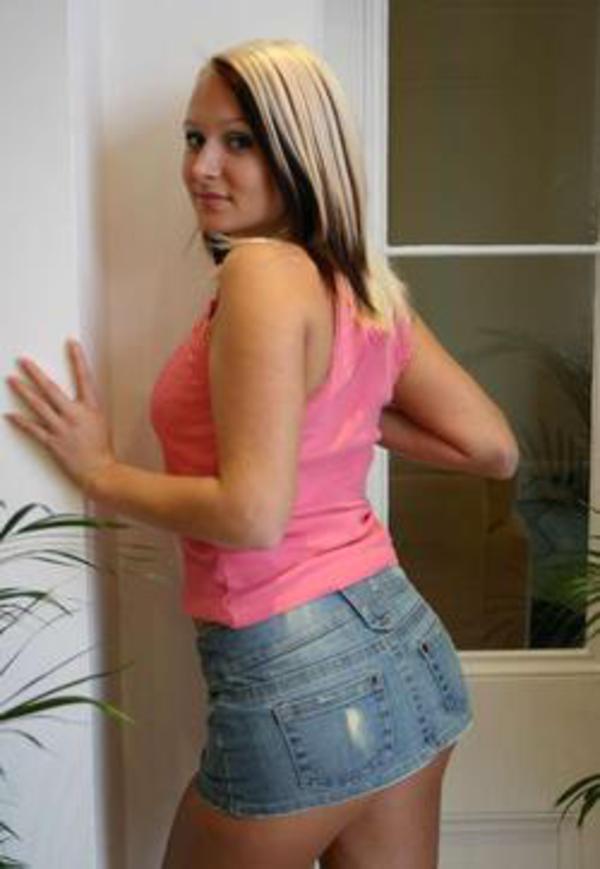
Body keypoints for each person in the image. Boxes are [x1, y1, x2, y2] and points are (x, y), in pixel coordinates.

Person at [5, 38, 518, 869]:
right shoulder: (364, 286)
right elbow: (491, 445)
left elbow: (251, 514)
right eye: (193, 138)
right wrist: (348, 415)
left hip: (297, 665)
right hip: (404, 644)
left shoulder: (262, 274)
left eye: (238, 140)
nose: (202, 166)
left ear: (299, 151)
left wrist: (101, 473)